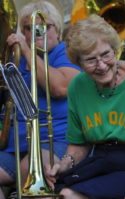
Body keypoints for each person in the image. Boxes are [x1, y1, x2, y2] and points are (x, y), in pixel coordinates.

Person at [45, 15, 125, 199]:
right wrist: (63, 164)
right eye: (90, 60)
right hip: (101, 160)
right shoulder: (77, 86)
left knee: (69, 195)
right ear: (78, 63)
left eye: (106, 55)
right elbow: (79, 143)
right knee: (52, 191)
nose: (101, 65)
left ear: (115, 50)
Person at [0, 1, 81, 198]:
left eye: (45, 27)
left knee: (30, 169)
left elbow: (60, 88)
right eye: (29, 28)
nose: (38, 33)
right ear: (23, 32)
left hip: (54, 139)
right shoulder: (15, 58)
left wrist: (28, 51)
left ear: (58, 29)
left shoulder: (65, 53)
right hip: (16, 142)